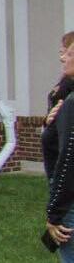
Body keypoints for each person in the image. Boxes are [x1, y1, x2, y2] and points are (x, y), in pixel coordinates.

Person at [43, 40, 74, 255]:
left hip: (69, 199)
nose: (63, 58)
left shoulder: (71, 103)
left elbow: (69, 159)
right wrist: (51, 123)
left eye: (70, 54)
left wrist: (54, 214)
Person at [41, 32, 74, 180]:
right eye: (63, 53)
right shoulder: (65, 83)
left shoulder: (68, 89)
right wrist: (50, 120)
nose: (62, 58)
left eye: (69, 54)